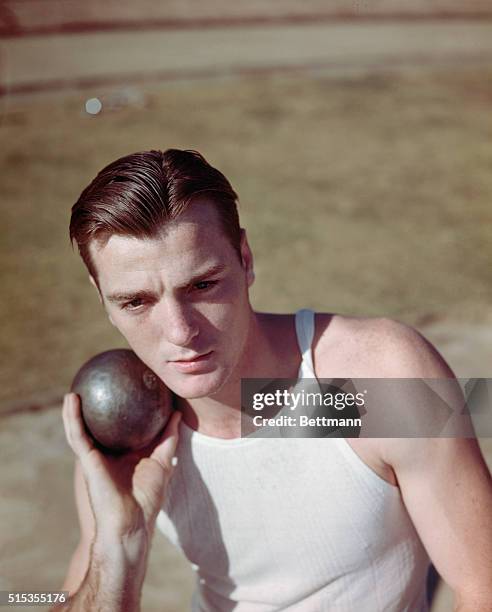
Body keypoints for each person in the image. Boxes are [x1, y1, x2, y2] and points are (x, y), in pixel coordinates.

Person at [54, 149, 492, 611]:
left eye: (202, 285)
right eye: (136, 302)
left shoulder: (371, 377)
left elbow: (483, 585)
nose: (180, 333)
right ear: (101, 296)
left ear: (245, 258)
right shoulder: (120, 424)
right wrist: (118, 546)